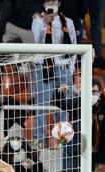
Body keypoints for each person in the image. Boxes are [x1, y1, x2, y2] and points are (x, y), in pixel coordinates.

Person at [31, 0, 76, 149]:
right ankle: (39, 141)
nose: (52, 3)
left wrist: (70, 70)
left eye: (54, 1)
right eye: (49, 1)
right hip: (44, 67)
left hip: (63, 68)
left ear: (59, 3)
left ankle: (62, 141)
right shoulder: (37, 21)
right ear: (44, 4)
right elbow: (36, 42)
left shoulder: (68, 21)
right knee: (41, 105)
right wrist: (44, 23)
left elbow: (74, 47)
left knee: (63, 107)